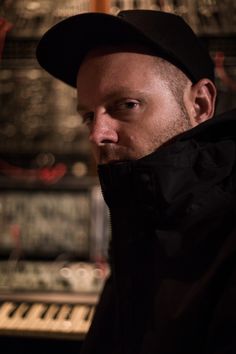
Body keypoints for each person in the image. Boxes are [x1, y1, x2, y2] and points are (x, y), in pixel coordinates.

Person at [36, 9, 236, 354]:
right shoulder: (139, 217)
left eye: (126, 104)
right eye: (88, 115)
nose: (97, 134)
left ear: (200, 104)